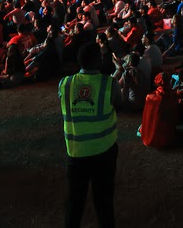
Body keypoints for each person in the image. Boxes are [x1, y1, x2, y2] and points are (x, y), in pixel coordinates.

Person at [59, 43, 123, 228]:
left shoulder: (65, 83)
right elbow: (119, 104)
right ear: (98, 61)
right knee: (104, 203)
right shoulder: (108, 83)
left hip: (76, 152)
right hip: (105, 150)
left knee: (74, 203)